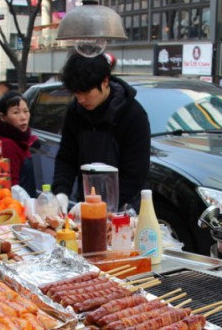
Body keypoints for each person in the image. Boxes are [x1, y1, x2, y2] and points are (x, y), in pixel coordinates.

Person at [52, 52, 151, 212]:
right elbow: (66, 158)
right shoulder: (75, 112)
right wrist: (61, 192)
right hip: (85, 202)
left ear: (105, 81)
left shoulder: (133, 115)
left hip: (125, 207)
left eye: (86, 92)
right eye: (76, 94)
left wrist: (101, 207)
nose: (81, 100)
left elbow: (135, 174)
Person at [0, 91, 37, 196]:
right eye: (16, 112)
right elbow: (12, 186)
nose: (23, 117)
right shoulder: (7, 144)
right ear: (3, 117)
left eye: (26, 111)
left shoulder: (20, 140)